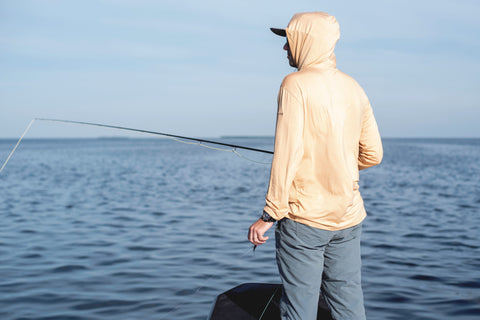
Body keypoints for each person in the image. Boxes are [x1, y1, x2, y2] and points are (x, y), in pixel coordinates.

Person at [248, 12, 383, 320]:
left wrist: (269, 215)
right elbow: (373, 154)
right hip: (349, 216)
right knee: (349, 305)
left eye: (289, 40)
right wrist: (337, 170)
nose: (285, 48)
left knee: (300, 309)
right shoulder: (354, 87)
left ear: (306, 40)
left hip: (303, 219)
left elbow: (287, 153)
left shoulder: (295, 85)